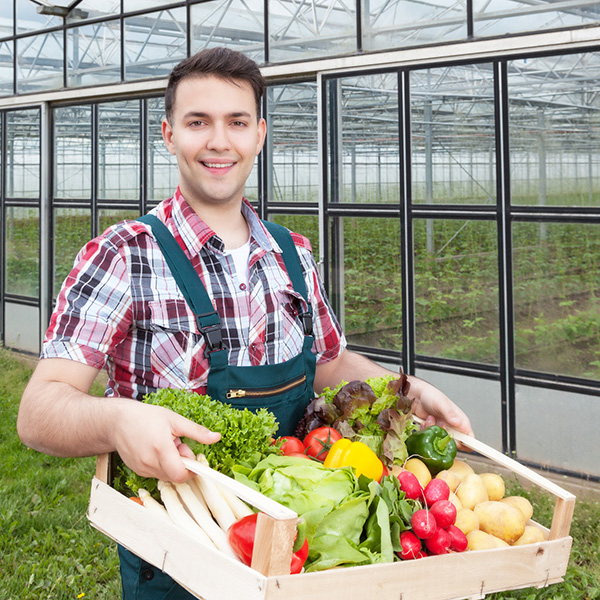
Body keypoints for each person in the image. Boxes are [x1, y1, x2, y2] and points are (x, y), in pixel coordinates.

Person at [17, 47, 473, 599]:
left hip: (305, 544)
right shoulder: (124, 254)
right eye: (197, 122)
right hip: (181, 550)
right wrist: (118, 422)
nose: (218, 141)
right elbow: (39, 411)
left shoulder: (293, 254)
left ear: (259, 134)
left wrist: (403, 390)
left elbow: (327, 361)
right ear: (168, 134)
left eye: (236, 122)